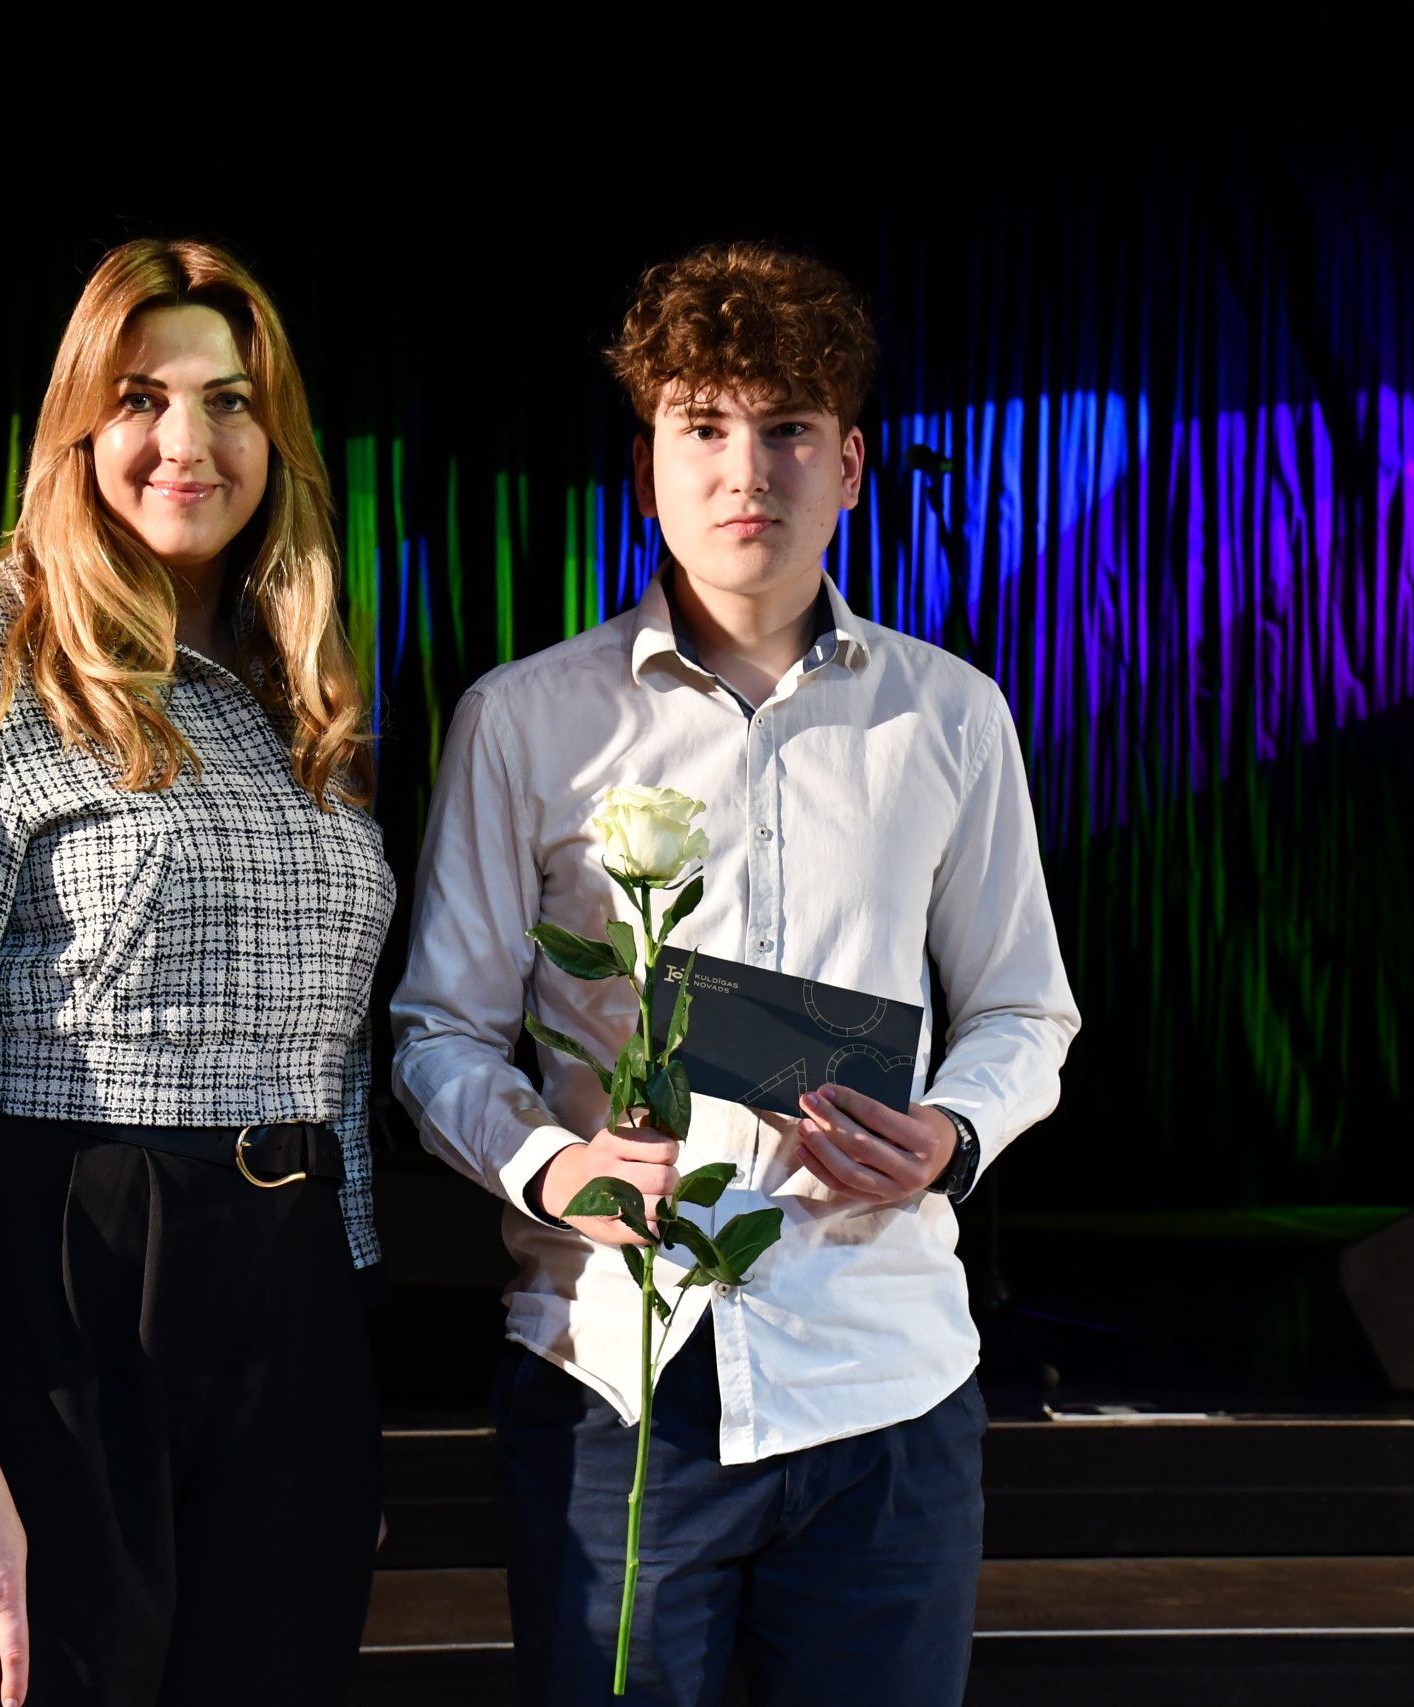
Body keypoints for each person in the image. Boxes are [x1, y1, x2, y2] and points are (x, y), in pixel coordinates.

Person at [390, 241, 1081, 1707]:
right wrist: (557, 1166)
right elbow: (439, 1031)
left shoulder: (951, 716)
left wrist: (953, 1133)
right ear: (648, 469)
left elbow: (1026, 1007)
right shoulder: (523, 720)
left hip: (884, 1378)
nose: (744, 469)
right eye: (702, 426)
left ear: (851, 465)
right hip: (614, 1376)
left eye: (787, 428)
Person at [0, 237, 391, 1707]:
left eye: (231, 401)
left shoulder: (295, 696)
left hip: (285, 1320)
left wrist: (335, 1398)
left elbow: (331, 1059)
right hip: (57, 1313)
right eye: (142, 398)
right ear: (76, 428)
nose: (189, 441)